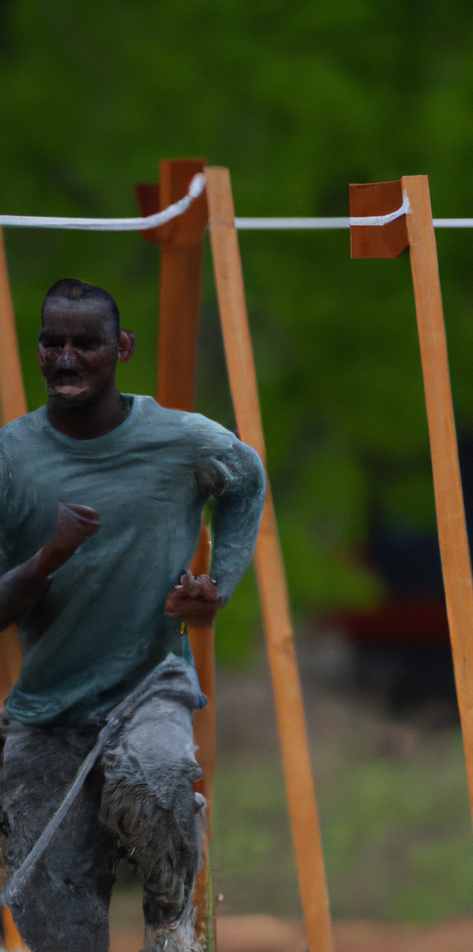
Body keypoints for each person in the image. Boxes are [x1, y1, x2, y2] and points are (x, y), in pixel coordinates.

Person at [0, 279, 266, 952]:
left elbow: (247, 479)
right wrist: (48, 556)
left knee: (158, 773)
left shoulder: (181, 440)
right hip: (46, 708)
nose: (65, 358)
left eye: (85, 343)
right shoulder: (10, 458)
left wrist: (217, 585)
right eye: (51, 343)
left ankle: (171, 916)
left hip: (151, 682)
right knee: (51, 910)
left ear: (121, 347)